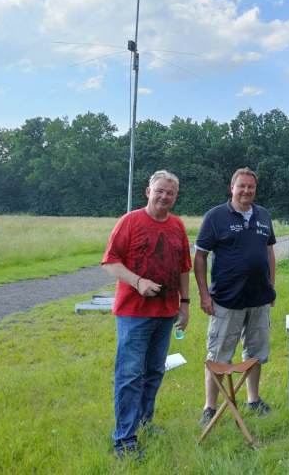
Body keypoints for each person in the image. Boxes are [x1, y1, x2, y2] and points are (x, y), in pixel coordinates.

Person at [102, 170, 192, 459]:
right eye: (160, 191)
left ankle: (143, 423)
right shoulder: (130, 222)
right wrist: (138, 282)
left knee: (154, 371)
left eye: (171, 193)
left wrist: (186, 303)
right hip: (134, 313)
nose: (165, 196)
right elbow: (110, 263)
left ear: (176, 197)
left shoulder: (177, 226)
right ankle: (124, 439)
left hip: (166, 313)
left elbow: (183, 268)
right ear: (148, 191)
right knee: (130, 375)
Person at [194, 167, 277, 428]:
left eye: (250, 187)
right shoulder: (215, 216)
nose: (246, 191)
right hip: (226, 300)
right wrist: (204, 294)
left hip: (259, 300)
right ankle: (210, 406)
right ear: (232, 187)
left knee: (256, 354)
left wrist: (271, 287)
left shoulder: (263, 215)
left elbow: (269, 253)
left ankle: (253, 400)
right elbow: (200, 257)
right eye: (241, 186)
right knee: (218, 356)